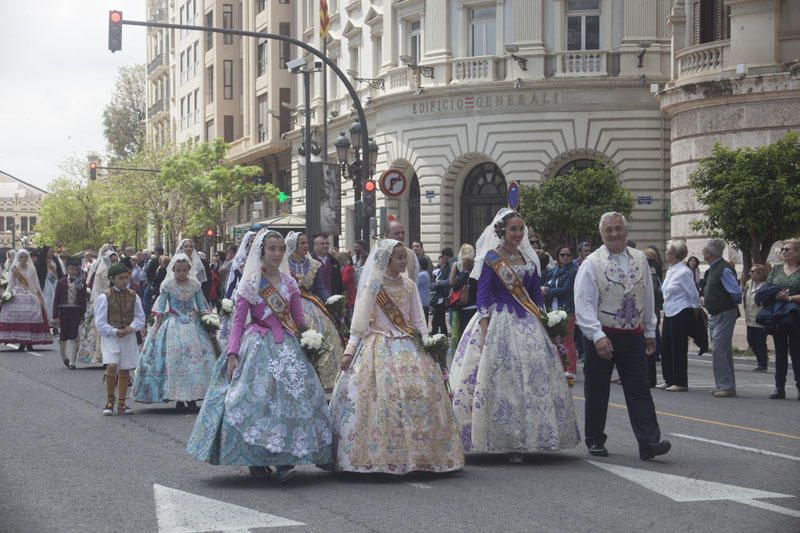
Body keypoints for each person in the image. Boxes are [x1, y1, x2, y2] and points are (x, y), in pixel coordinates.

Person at [186, 229, 334, 482]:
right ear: (262, 252)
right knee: (254, 401)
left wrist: (310, 342)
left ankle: (286, 458)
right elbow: (238, 321)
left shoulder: (289, 284)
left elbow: (298, 320)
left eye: (280, 249)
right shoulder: (252, 282)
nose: (276, 254)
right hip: (257, 344)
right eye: (272, 249)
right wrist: (232, 354)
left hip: (288, 346)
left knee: (292, 399)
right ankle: (255, 458)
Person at [450, 209, 580, 462]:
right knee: (501, 380)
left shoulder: (529, 260)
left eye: (521, 229)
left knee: (532, 379)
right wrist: (486, 330)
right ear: (502, 231)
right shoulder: (491, 258)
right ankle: (502, 438)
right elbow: (483, 295)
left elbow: (535, 297)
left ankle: (529, 437)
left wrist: (547, 324)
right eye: (513, 229)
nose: (518, 234)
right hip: (498, 321)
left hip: (528, 323)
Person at [331, 239, 464, 474]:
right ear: (387, 260)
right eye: (400, 257)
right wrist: (350, 351)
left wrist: (429, 343)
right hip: (378, 343)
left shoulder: (410, 285)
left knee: (420, 394)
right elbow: (359, 323)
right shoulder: (373, 284)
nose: (405, 261)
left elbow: (418, 319)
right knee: (378, 398)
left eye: (405, 257)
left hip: (408, 344)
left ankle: (421, 455)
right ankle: (379, 455)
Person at [575, 212, 671, 460]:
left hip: (632, 334)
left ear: (626, 232)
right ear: (602, 234)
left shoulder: (640, 259)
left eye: (618, 229)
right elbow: (584, 304)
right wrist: (596, 335)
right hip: (603, 334)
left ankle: (649, 442)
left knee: (639, 389)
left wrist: (649, 330)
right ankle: (595, 439)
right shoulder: (591, 263)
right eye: (609, 230)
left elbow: (648, 296)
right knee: (597, 390)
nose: (615, 234)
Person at [133, 253, 218, 412]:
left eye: (184, 270)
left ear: (188, 270)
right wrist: (157, 325)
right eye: (178, 270)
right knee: (175, 360)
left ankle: (192, 396)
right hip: (173, 323)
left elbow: (201, 305)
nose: (181, 273)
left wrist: (208, 320)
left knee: (195, 361)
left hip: (192, 325)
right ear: (173, 270)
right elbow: (161, 306)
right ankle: (178, 396)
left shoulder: (194, 285)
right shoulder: (168, 286)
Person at [281, 232, 345, 391]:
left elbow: (320, 289)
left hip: (311, 305)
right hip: (290, 305)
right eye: (302, 243)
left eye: (306, 243)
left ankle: (322, 375)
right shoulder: (283, 265)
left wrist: (330, 300)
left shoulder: (314, 264)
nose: (306, 246)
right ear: (294, 246)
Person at [95, 262, 146, 416]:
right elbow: (100, 322)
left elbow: (140, 317)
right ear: (112, 279)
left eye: (126, 277)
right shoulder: (105, 297)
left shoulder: (133, 296)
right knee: (111, 365)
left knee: (124, 369)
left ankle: (122, 403)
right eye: (120, 278)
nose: (124, 281)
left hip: (128, 336)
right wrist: (115, 331)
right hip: (111, 336)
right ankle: (110, 400)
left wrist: (131, 328)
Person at [657, 239, 700, 392]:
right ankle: (669, 379)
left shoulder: (683, 272)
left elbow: (693, 293)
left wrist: (695, 311)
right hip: (669, 311)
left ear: (674, 254)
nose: (666, 254)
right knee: (666, 346)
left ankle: (680, 381)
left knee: (678, 348)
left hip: (681, 311)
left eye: (668, 251)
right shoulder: (671, 269)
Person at [701, 238, 742, 398]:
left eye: (705, 250)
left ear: (710, 253)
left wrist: (721, 301)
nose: (703, 253)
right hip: (716, 313)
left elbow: (736, 293)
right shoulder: (713, 269)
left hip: (725, 312)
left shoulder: (723, 269)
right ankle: (726, 385)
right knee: (722, 349)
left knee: (718, 348)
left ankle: (725, 385)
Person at [765, 238, 800, 400]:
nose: (784, 252)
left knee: (796, 352)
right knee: (780, 352)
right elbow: (767, 288)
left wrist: (790, 298)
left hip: (796, 316)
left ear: (797, 252)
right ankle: (779, 387)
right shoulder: (777, 269)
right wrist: (775, 294)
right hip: (779, 315)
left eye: (788, 249)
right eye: (783, 249)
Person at [0, 248, 52, 350]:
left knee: (33, 313)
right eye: (21, 257)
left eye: (25, 257)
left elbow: (35, 283)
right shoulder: (14, 269)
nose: (23, 259)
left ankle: (30, 342)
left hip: (29, 293)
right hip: (17, 292)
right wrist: (6, 295)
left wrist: (39, 295)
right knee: (11, 312)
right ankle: (20, 342)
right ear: (18, 258)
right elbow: (11, 284)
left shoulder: (31, 269)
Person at [218, 230, 260, 353]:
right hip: (242, 295)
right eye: (251, 241)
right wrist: (227, 298)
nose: (253, 243)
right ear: (247, 243)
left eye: (256, 241)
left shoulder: (263, 259)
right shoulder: (239, 261)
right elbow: (232, 281)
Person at [542, 244, 579, 386]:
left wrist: (548, 291)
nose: (565, 257)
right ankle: (559, 367)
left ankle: (570, 369)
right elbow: (547, 284)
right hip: (553, 309)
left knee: (567, 339)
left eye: (568, 255)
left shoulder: (573, 271)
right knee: (556, 340)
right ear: (557, 256)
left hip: (567, 309)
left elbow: (567, 289)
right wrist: (544, 289)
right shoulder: (553, 271)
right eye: (562, 255)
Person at [77, 246, 118, 365]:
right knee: (99, 329)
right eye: (113, 260)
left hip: (114, 303)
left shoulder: (117, 272)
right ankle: (99, 355)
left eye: (116, 260)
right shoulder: (102, 271)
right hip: (102, 303)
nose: (114, 262)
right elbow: (100, 289)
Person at [53, 257, 88, 369]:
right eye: (71, 269)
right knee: (63, 336)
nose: (73, 271)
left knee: (74, 336)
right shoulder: (61, 282)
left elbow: (83, 300)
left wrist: (83, 315)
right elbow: (56, 299)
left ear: (78, 270)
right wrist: (56, 315)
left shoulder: (81, 283)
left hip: (76, 311)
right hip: (64, 311)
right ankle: (64, 356)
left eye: (75, 270)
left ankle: (73, 361)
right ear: (67, 270)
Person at [448, 244, 478, 351]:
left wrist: (464, 273)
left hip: (462, 306)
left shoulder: (457, 266)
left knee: (463, 333)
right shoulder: (476, 266)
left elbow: (453, 284)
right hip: (474, 306)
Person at [743, 263, 769, 373]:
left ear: (760, 274)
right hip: (749, 317)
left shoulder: (766, 286)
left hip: (760, 318)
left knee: (760, 341)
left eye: (753, 272)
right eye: (750, 271)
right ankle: (761, 359)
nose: (750, 274)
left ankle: (762, 363)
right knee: (751, 340)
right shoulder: (749, 284)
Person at [36, 245, 64, 333]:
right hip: (45, 285)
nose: (52, 253)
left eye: (52, 251)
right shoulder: (40, 262)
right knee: (46, 303)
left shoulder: (55, 261)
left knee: (55, 304)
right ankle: (45, 324)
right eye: (50, 251)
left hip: (55, 284)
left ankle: (55, 326)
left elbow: (59, 273)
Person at [430, 248, 453, 335]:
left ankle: (435, 335)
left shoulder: (449, 267)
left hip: (444, 296)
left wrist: (439, 283)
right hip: (438, 296)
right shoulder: (440, 268)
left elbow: (449, 281)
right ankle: (441, 335)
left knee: (437, 319)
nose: (442, 258)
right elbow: (434, 281)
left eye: (443, 256)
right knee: (440, 319)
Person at [312, 234, 343, 298]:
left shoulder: (334, 261)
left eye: (327, 243)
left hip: (333, 299)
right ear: (315, 246)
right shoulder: (310, 261)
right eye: (322, 244)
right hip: (315, 299)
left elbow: (339, 282)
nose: (325, 246)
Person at [144, 245, 164, 314]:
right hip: (161, 282)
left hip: (152, 282)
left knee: (146, 298)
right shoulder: (165, 259)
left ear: (157, 252)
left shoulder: (154, 260)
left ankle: (147, 313)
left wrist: (148, 280)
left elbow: (148, 271)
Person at [338, 250, 356, 325]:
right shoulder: (345, 267)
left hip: (348, 292)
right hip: (347, 292)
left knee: (348, 315)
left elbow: (344, 280)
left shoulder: (348, 268)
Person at [417, 257, 431, 325]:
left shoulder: (421, 275)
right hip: (424, 302)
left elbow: (414, 284)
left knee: (422, 323)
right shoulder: (425, 273)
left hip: (422, 303)